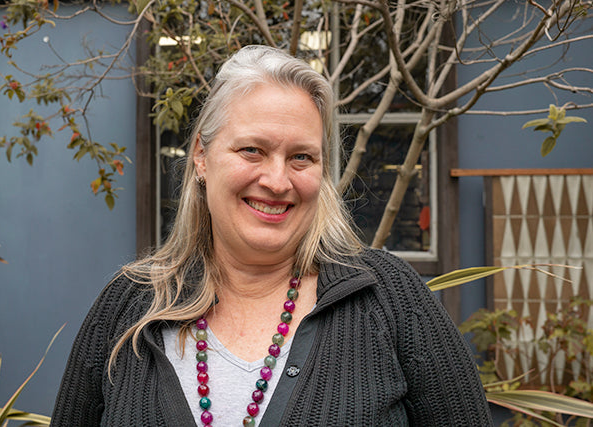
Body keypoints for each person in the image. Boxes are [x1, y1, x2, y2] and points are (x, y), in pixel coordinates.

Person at [50, 45, 493, 426]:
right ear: (202, 156)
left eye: (301, 157)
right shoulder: (128, 307)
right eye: (252, 150)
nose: (278, 181)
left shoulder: (389, 299)